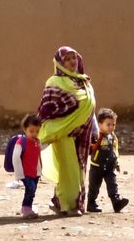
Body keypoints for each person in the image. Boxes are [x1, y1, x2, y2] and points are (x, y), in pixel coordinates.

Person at [37, 46, 96, 216]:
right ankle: (69, 206)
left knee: (78, 168)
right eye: (67, 59)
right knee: (68, 168)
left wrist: (95, 129)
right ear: (60, 63)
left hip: (82, 134)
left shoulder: (83, 81)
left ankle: (59, 201)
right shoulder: (54, 82)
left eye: (74, 57)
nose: (72, 61)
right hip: (62, 132)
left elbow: (89, 108)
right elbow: (46, 109)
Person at [87, 108, 129, 213]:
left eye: (113, 125)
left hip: (110, 166)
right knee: (94, 186)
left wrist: (117, 162)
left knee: (113, 184)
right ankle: (91, 203)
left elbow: (115, 150)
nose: (111, 127)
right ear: (100, 124)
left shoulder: (113, 137)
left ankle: (116, 202)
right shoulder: (97, 136)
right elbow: (90, 148)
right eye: (108, 124)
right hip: (97, 166)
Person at [12, 114, 43, 219]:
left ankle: (28, 207)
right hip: (25, 173)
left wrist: (39, 171)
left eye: (37, 131)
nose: (34, 134)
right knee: (30, 189)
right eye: (31, 131)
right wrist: (19, 174)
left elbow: (38, 156)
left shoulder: (37, 142)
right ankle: (26, 209)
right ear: (25, 129)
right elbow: (16, 157)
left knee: (32, 191)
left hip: (35, 173)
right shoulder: (21, 142)